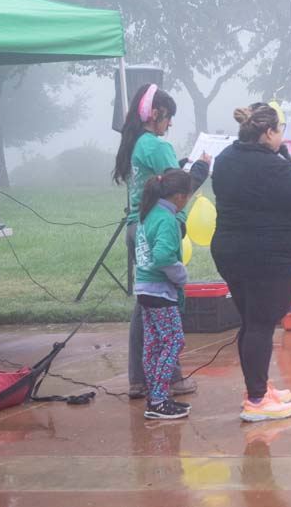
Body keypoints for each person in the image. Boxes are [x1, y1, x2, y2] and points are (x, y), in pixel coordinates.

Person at [211, 103, 291, 422]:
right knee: (260, 325)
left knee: (251, 321)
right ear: (269, 132)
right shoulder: (273, 167)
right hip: (267, 258)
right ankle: (256, 400)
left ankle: (257, 387)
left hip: (233, 252)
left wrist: (281, 158)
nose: (281, 136)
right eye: (280, 130)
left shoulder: (226, 159)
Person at [112, 83, 211, 399]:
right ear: (155, 114)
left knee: (146, 304)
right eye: (168, 118)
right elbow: (180, 186)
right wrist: (202, 168)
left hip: (138, 228)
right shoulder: (155, 145)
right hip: (160, 228)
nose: (170, 125)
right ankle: (171, 379)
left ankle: (140, 379)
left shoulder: (136, 144)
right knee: (164, 307)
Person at [134, 169, 194, 420]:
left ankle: (156, 397)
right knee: (173, 341)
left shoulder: (149, 213)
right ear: (179, 196)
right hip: (161, 292)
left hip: (145, 289)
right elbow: (163, 257)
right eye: (188, 196)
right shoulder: (167, 219)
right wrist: (181, 276)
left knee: (154, 345)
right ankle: (158, 400)